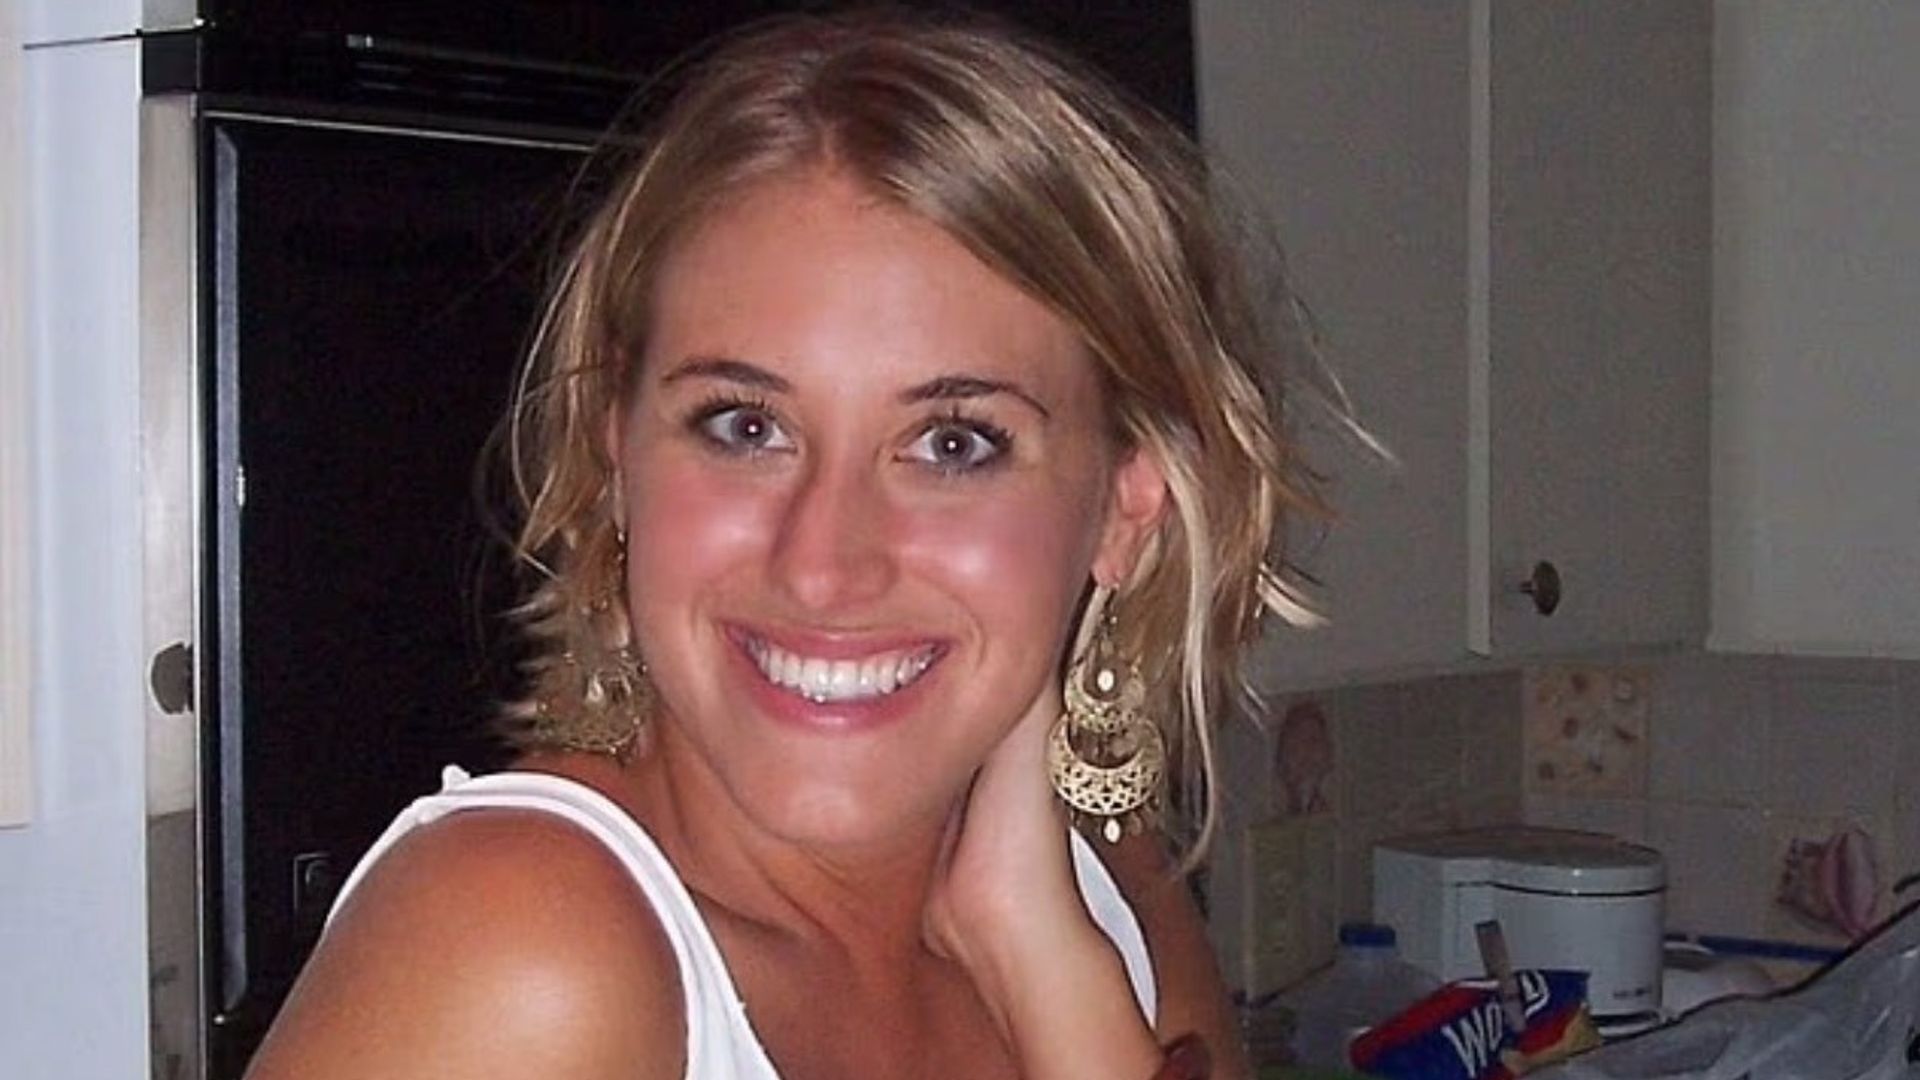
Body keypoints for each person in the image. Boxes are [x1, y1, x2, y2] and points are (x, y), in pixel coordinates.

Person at [247, 9, 1320, 1079]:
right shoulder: (520, 947)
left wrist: (1040, 959)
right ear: (616, 452)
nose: (822, 566)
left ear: (1126, 509)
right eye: (746, 427)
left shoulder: (1105, 895)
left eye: (951, 444)